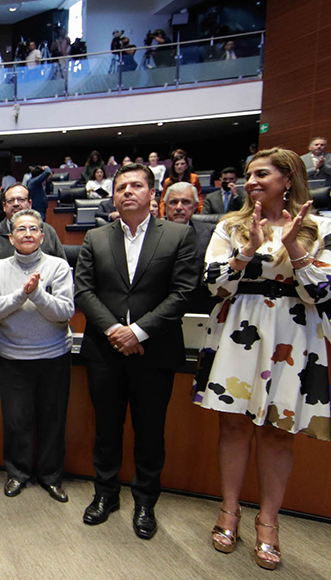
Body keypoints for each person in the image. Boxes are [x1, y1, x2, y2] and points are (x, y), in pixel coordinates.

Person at [193, 148, 331, 571]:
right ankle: (229, 512)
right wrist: (247, 251)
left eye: (261, 174)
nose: (251, 181)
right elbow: (212, 283)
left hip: (295, 336)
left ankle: (268, 523)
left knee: (279, 431)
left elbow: (324, 290)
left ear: (288, 178)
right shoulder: (230, 226)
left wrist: (294, 246)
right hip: (239, 332)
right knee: (233, 426)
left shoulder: (322, 227)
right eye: (248, 175)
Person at [73, 162, 198, 540]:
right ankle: (105, 494)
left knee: (150, 431)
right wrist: (115, 331)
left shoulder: (178, 235)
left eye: (136, 185)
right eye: (121, 187)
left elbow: (183, 293)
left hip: (154, 351)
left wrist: (138, 332)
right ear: (113, 196)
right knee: (106, 429)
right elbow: (84, 290)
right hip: (105, 349)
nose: (128, 191)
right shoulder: (95, 237)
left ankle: (145, 501)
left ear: (152, 194)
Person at [0, 209, 74, 502]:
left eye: (33, 229)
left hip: (53, 355)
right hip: (12, 356)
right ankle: (17, 473)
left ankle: (51, 477)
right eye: (21, 229)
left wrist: (37, 295)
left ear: (42, 236)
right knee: (16, 421)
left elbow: (65, 311)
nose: (28, 234)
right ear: (11, 238)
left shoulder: (58, 266)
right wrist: (23, 294)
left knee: (53, 420)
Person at [0, 183, 66, 328]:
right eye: (11, 201)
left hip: (43, 314)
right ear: (4, 206)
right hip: (3, 316)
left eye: (21, 199)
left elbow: (62, 272)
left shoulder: (48, 232)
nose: (16, 204)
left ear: (30, 203)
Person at [164, 182, 214, 261]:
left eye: (185, 202)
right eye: (174, 202)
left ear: (195, 206)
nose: (179, 207)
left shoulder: (210, 233)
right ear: (165, 206)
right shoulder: (151, 232)